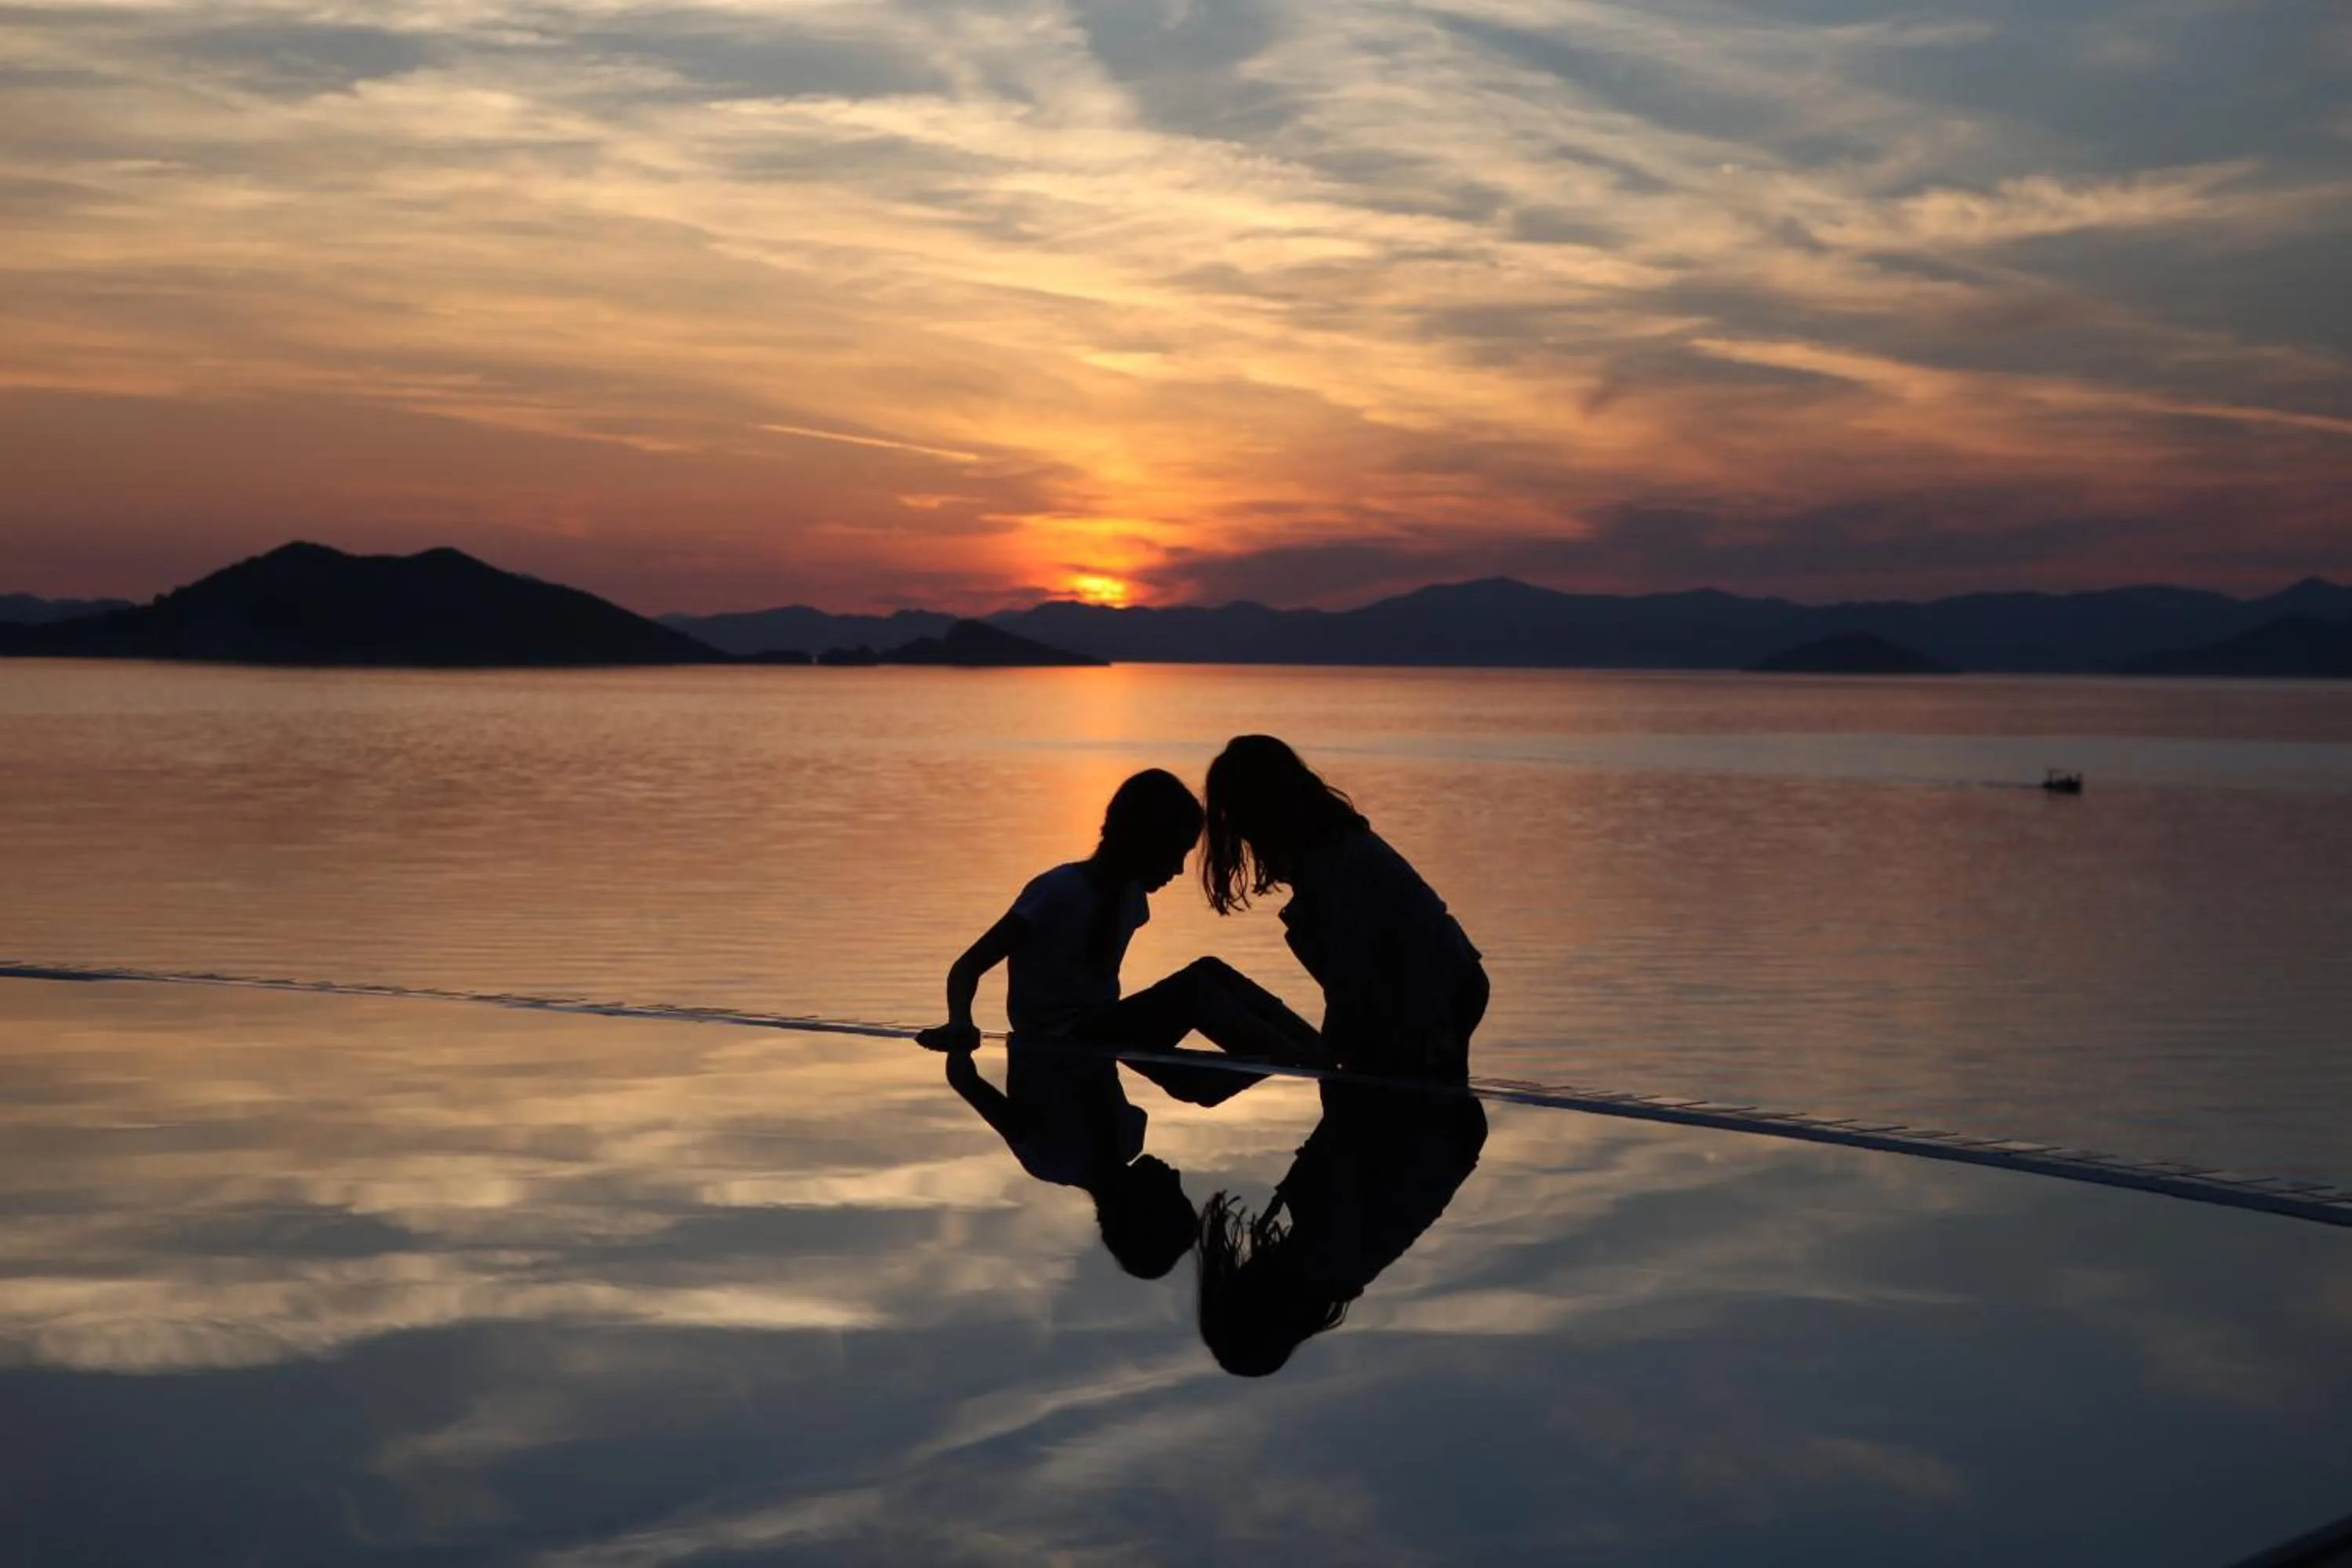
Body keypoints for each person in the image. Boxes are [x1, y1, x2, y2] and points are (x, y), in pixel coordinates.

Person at [915, 768, 1319, 1276]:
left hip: (1099, 1033)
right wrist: (960, 1028)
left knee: (1207, 977)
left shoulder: (1131, 903)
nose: (1177, 870)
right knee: (1197, 994)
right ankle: (1305, 1058)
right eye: (1175, 854)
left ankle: (1316, 1049)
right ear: (1145, 842)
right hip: (1062, 1041)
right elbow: (969, 965)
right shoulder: (1057, 891)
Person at [1201, 735, 1486, 1080]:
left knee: (1413, 1106)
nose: (1239, 831)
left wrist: (1333, 1052)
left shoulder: (1335, 864)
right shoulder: (1330, 852)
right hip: (1435, 990)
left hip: (1433, 997)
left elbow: (1353, 976)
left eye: (1239, 814)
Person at [1196, 1080, 1487, 1376]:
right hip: (1434, 1123)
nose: (1240, 1269)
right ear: (1258, 1303)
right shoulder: (1328, 1255)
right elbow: (1348, 1124)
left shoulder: (1325, 1267)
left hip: (1441, 1129)